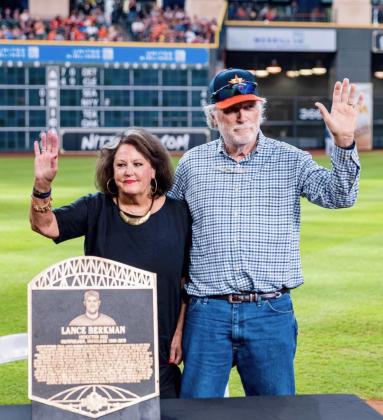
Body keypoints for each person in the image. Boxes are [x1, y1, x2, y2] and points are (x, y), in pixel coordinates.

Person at [168, 68, 363, 398]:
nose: (241, 116)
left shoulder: (290, 159)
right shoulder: (192, 164)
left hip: (270, 312)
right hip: (207, 314)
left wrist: (344, 142)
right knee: (197, 413)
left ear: (260, 110)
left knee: (276, 413)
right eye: (230, 108)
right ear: (215, 116)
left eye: (249, 106)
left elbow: (340, 196)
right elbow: (169, 232)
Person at [30, 127, 190, 399]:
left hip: (161, 349)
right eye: (121, 164)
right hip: (105, 347)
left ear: (154, 170)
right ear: (111, 172)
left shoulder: (180, 214)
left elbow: (186, 279)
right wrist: (42, 184)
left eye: (138, 164)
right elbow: (46, 225)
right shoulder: (96, 208)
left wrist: (180, 332)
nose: (129, 172)